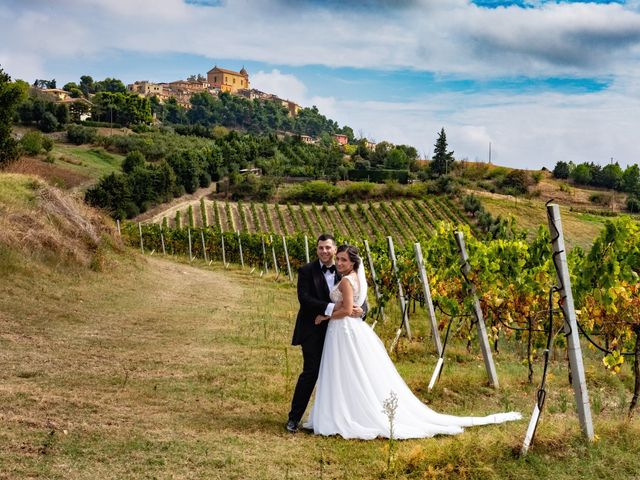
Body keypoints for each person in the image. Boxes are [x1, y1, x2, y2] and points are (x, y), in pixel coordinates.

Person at [304, 244, 522, 439]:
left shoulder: (345, 281)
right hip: (347, 330)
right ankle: (346, 409)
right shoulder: (356, 278)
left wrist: (325, 316)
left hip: (343, 330)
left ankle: (346, 414)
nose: (340, 263)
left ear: (352, 262)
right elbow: (353, 309)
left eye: (344, 259)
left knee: (344, 371)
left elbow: (345, 310)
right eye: (339, 259)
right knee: (347, 372)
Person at [286, 234, 364, 433]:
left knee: (340, 374)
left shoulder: (344, 268)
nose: (324, 251)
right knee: (311, 372)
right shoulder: (306, 271)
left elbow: (359, 297)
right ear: (316, 249)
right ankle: (294, 418)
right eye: (320, 248)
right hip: (313, 329)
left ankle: (339, 418)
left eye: (328, 248)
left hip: (339, 333)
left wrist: (362, 310)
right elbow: (305, 299)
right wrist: (331, 308)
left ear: (335, 249)